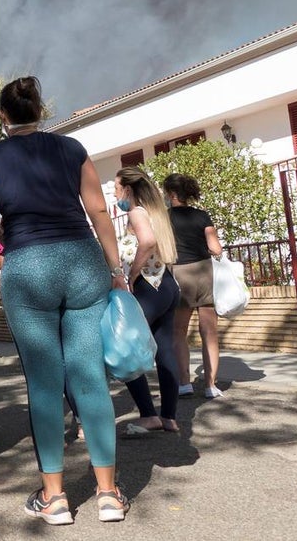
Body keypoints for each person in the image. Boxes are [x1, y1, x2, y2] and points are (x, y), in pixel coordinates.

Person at [0, 77, 129, 525]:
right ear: (40, 111)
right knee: (90, 377)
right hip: (82, 261)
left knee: (44, 384)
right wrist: (117, 270)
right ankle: (108, 494)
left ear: (4, 116)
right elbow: (98, 211)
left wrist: (1, 230)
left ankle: (55, 497)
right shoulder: (72, 148)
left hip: (28, 265)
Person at [115, 167, 181, 435]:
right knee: (165, 351)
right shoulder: (156, 212)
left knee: (125, 348)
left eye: (116, 189)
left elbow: (148, 241)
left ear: (128, 189)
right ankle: (169, 417)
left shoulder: (136, 212)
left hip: (147, 287)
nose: (115, 195)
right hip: (167, 286)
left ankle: (148, 414)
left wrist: (132, 274)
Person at [163, 173, 225, 399]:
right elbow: (216, 249)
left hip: (180, 273)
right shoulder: (202, 216)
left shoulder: (165, 218)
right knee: (209, 332)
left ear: (171, 194)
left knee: (178, 331)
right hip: (204, 273)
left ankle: (184, 383)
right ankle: (210, 386)